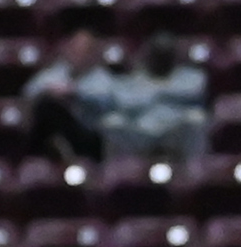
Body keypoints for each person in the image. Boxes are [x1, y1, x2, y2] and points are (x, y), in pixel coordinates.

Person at [104, 33, 207, 160]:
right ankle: (120, 172)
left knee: (196, 118)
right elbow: (124, 103)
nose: (161, 59)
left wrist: (155, 93)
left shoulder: (191, 77)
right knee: (113, 122)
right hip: (141, 130)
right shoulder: (133, 79)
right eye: (158, 55)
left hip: (174, 130)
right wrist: (162, 95)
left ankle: (195, 171)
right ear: (149, 56)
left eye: (165, 55)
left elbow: (195, 93)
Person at [21, 31, 113, 164]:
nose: (78, 55)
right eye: (75, 50)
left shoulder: (102, 77)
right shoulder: (57, 72)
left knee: (48, 108)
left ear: (93, 54)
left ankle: (60, 153)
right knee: (45, 106)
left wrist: (75, 94)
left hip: (88, 135)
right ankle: (39, 160)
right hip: (55, 129)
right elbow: (30, 91)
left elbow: (107, 102)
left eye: (84, 51)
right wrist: (50, 92)